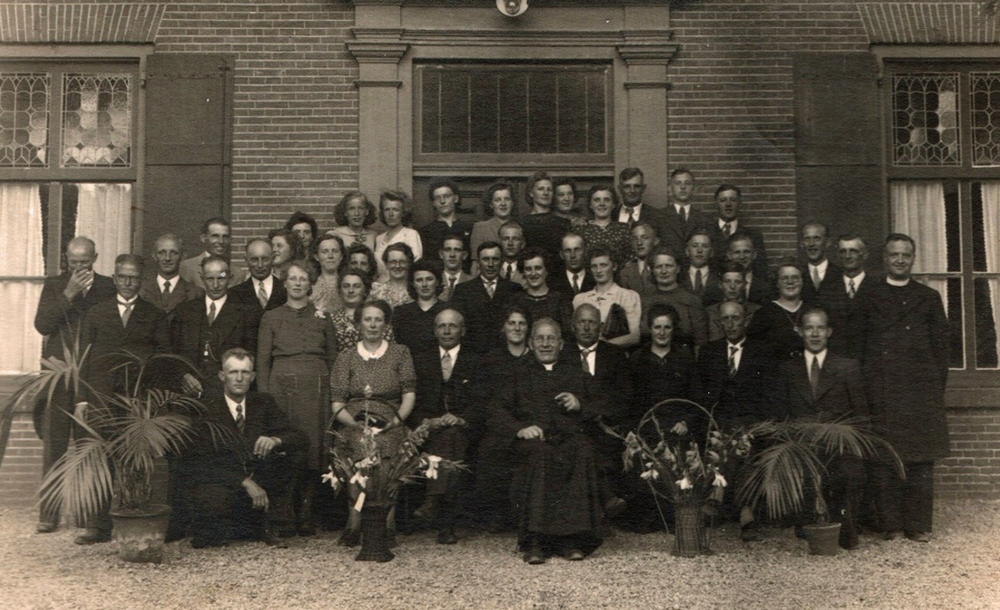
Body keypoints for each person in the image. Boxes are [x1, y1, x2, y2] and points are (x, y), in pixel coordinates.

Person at [487, 317, 605, 564]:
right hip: (534, 440)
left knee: (582, 449)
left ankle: (572, 539)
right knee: (540, 455)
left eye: (551, 338)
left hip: (568, 438)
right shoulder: (516, 373)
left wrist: (579, 404)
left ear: (561, 344)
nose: (545, 344)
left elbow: (601, 407)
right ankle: (536, 540)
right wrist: (520, 429)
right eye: (540, 338)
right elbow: (496, 409)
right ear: (531, 343)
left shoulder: (576, 373)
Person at [861, 233, 950, 543]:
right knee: (885, 458)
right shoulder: (869, 295)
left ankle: (917, 524)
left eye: (905, 255)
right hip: (883, 389)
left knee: (920, 460)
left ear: (913, 259)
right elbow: (861, 347)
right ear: (884, 258)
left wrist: (931, 390)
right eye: (894, 255)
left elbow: (941, 351)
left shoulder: (928, 297)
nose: (900, 260)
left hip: (919, 391)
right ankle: (890, 524)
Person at [77, 254, 171, 544]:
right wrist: (82, 399)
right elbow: (83, 359)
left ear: (141, 280)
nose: (128, 282)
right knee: (101, 460)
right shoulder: (96, 313)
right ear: (114, 278)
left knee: (137, 460)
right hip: (102, 398)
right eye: (123, 277)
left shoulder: (154, 315)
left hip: (138, 399)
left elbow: (163, 360)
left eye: (134, 277)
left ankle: (136, 518)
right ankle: (98, 526)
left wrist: (155, 402)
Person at [175, 348, 307, 549]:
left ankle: (267, 522)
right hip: (222, 481)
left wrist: (275, 439)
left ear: (252, 377)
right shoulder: (206, 408)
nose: (239, 378)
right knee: (212, 522)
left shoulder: (263, 402)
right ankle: (241, 524)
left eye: (245, 372)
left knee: (293, 456)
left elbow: (300, 438)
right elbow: (198, 462)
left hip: (258, 477)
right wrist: (244, 482)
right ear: (222, 376)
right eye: (233, 372)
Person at [32, 236, 116, 534]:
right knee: (54, 444)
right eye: (73, 262)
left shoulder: (108, 287)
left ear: (96, 258)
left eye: (85, 262)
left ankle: (87, 516)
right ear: (66, 260)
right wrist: (69, 293)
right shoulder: (55, 285)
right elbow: (42, 325)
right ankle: (49, 514)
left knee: (88, 444)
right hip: (59, 375)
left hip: (91, 376)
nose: (79, 268)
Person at [256, 260, 338, 537]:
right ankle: (285, 512)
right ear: (285, 283)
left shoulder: (323, 317)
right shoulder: (271, 317)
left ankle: (306, 511)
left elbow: (333, 358)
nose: (298, 283)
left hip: (317, 389)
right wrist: (265, 399)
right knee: (287, 446)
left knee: (315, 449)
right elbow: (262, 362)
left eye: (303, 279)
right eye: (293, 278)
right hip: (282, 389)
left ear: (311, 283)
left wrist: (334, 394)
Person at [775, 307, 868, 549]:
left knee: (847, 473)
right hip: (802, 445)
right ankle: (808, 523)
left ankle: (844, 527)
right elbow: (782, 414)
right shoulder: (788, 369)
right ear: (800, 332)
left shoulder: (847, 367)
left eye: (820, 328)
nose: (815, 334)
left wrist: (854, 446)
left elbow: (860, 415)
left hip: (839, 446)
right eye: (809, 328)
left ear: (829, 332)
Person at [329, 300, 417, 545]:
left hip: (390, 420)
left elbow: (409, 396)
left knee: (387, 446)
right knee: (359, 445)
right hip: (354, 421)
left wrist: (394, 422)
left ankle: (387, 524)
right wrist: (355, 425)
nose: (373, 325)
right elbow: (337, 405)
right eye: (367, 319)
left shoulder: (400, 353)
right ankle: (354, 522)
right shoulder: (346, 356)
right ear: (358, 324)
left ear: (386, 324)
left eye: (378, 319)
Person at [698, 300, 775, 541]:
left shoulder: (762, 351)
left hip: (753, 421)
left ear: (746, 320)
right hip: (719, 421)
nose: (730, 324)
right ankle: (746, 512)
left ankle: (717, 495)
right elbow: (702, 395)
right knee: (733, 438)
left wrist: (759, 424)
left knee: (743, 438)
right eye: (726, 319)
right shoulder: (709, 352)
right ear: (719, 322)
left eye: (736, 318)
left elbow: (769, 394)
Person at [625, 303, 704, 533]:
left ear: (673, 329)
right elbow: (630, 401)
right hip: (647, 425)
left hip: (677, 425)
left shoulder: (685, 358)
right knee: (644, 454)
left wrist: (686, 422)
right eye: (657, 327)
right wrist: (635, 429)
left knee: (678, 453)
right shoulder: (637, 359)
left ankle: (674, 514)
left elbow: (697, 398)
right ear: (649, 329)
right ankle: (649, 514)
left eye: (667, 327)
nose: (661, 332)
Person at [411, 308, 486, 544]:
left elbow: (483, 401)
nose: (446, 331)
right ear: (434, 330)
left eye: (452, 326)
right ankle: (446, 524)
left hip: (464, 429)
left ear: (462, 331)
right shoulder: (421, 360)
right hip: (429, 429)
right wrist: (426, 421)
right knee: (448, 441)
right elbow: (413, 400)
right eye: (441, 326)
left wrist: (462, 418)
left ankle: (434, 502)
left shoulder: (476, 360)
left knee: (452, 436)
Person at [561, 304, 630, 520]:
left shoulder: (615, 355)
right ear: (573, 326)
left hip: (604, 423)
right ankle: (604, 501)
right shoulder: (562, 354)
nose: (586, 327)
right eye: (582, 322)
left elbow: (623, 397)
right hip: (570, 423)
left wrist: (592, 411)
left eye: (591, 322)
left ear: (600, 326)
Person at [474, 305, 534, 531]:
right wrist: (512, 427)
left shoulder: (535, 359)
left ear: (528, 328)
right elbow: (486, 401)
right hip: (499, 423)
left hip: (531, 422)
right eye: (512, 323)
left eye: (522, 323)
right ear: (503, 327)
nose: (517, 328)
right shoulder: (491, 360)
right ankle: (497, 514)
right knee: (491, 448)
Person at [170, 255, 259, 396]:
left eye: (221, 278)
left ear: (229, 278)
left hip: (226, 393)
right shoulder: (185, 311)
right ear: (202, 278)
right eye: (210, 279)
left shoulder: (246, 314)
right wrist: (184, 375)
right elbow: (173, 352)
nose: (216, 285)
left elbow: (251, 356)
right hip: (189, 393)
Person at [451, 241, 523, 353]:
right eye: (485, 259)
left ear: (502, 261)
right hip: (473, 355)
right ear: (478, 262)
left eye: (495, 259)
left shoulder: (514, 289)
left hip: (506, 354)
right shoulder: (463, 290)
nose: (490, 264)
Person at [640, 247, 709, 352]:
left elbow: (700, 343)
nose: (664, 271)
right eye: (659, 267)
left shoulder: (691, 300)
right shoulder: (644, 301)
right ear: (652, 270)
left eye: (669, 266)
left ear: (678, 269)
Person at [572, 246, 641, 348]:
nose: (598, 270)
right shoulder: (580, 299)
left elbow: (635, 336)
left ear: (614, 266)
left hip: (616, 354)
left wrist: (603, 346)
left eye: (603, 265)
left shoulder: (627, 296)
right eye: (594, 266)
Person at [816, 234, 871, 360]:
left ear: (865, 255)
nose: (847, 256)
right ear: (838, 256)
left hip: (870, 361)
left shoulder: (878, 288)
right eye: (843, 251)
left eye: (853, 251)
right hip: (836, 362)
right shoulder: (827, 289)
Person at [747, 259, 806, 367]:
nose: (790, 282)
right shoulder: (764, 313)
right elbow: (754, 352)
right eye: (784, 278)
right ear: (777, 283)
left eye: (795, 278)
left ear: (802, 281)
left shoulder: (811, 310)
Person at [707, 184, 768, 280]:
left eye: (733, 200)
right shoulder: (706, 234)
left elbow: (761, 270)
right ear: (716, 203)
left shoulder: (753, 236)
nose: (728, 204)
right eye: (723, 200)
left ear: (739, 202)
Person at [509, 247, 574, 337]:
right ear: (523, 272)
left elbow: (568, 334)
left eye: (538, 268)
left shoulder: (560, 300)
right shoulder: (515, 300)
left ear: (546, 270)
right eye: (528, 269)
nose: (533, 273)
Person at [139, 233, 203, 325]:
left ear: (183, 256)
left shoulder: (196, 293)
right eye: (161, 253)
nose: (167, 258)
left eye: (173, 253)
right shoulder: (141, 291)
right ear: (154, 256)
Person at [392, 259, 448, 357]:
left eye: (429, 279)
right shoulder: (401, 312)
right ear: (413, 284)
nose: (424, 284)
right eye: (419, 280)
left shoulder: (448, 311)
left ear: (438, 282)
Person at [330, 271, 394, 348]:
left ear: (365, 291)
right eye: (346, 286)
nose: (351, 290)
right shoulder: (330, 319)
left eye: (356, 286)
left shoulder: (378, 317)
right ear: (340, 291)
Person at [229, 238, 287, 323]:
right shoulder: (234, 294)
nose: (260, 265)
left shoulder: (285, 290)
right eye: (254, 260)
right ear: (246, 260)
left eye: (265, 259)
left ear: (273, 259)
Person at [179, 217, 246, 289]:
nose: (221, 241)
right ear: (203, 238)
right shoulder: (187, 268)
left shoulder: (237, 273)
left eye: (225, 237)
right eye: (215, 236)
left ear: (230, 240)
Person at [520, 171, 571, 267]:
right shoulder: (522, 223)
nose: (546, 193)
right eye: (541, 189)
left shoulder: (564, 223)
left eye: (549, 189)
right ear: (531, 193)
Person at [419, 178, 473, 267]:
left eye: (446, 196)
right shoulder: (425, 232)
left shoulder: (470, 229)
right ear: (433, 203)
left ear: (456, 198)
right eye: (437, 198)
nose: (442, 201)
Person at [615, 167, 671, 251]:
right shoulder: (611, 215)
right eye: (627, 186)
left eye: (637, 186)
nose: (632, 190)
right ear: (619, 189)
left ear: (643, 188)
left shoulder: (658, 217)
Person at [706, 263, 761, 343]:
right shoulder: (709, 312)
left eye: (737, 282)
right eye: (727, 281)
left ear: (744, 285)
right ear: (720, 285)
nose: (732, 287)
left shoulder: (757, 311)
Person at [373, 189, 423, 278]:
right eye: (387, 210)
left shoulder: (410, 234)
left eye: (395, 210)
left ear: (403, 213)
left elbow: (415, 263)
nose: (391, 214)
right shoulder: (379, 238)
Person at [662, 168, 711, 257]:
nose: (683, 187)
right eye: (678, 183)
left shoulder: (704, 218)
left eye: (687, 183)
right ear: (670, 188)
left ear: (694, 189)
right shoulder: (659, 216)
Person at [578, 185, 631, 266]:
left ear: (613, 204)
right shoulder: (581, 230)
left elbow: (629, 260)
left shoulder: (624, 229)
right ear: (590, 205)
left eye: (606, 200)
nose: (602, 204)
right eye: (597, 200)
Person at [470, 180, 517, 258]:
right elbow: (475, 261)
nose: (503, 203)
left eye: (507, 199)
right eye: (497, 200)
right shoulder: (480, 228)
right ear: (491, 204)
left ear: (512, 202)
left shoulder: (519, 227)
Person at [800, 221, 840, 305]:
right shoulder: (798, 274)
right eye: (807, 239)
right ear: (802, 244)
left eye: (816, 238)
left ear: (827, 242)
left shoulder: (840, 274)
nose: (811, 244)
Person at [727, 231, 772, 305]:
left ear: (754, 254)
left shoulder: (765, 285)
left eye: (746, 252)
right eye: (737, 252)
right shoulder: (720, 284)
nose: (742, 257)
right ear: (729, 255)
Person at [680, 228, 722, 304]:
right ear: (687, 251)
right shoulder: (679, 277)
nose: (699, 250)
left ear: (712, 252)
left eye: (705, 246)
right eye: (695, 246)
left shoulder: (719, 277)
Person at [549, 232, 595, 300]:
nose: (572, 255)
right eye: (568, 251)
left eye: (577, 250)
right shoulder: (552, 283)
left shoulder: (595, 280)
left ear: (585, 252)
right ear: (561, 255)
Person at [370, 242, 416, 308]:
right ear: (386, 264)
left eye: (402, 262)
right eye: (393, 262)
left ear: (409, 263)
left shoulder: (417, 290)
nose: (397, 266)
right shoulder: (376, 291)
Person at [619, 222, 659, 295]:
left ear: (655, 241)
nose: (639, 243)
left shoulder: (664, 266)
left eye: (645, 238)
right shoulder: (625, 271)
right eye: (635, 239)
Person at [310, 233, 346, 313]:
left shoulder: (348, 284)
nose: (330, 256)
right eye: (324, 252)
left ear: (341, 256)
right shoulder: (310, 284)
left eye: (335, 251)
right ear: (316, 257)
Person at [439, 234, 472, 302]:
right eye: (448, 250)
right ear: (441, 254)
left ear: (464, 255)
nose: (452, 255)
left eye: (457, 250)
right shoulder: (434, 282)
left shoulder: (473, 282)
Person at [498, 220, 527, 286]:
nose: (510, 243)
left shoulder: (529, 270)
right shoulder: (492, 269)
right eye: (505, 239)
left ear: (523, 243)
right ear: (500, 243)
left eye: (515, 239)